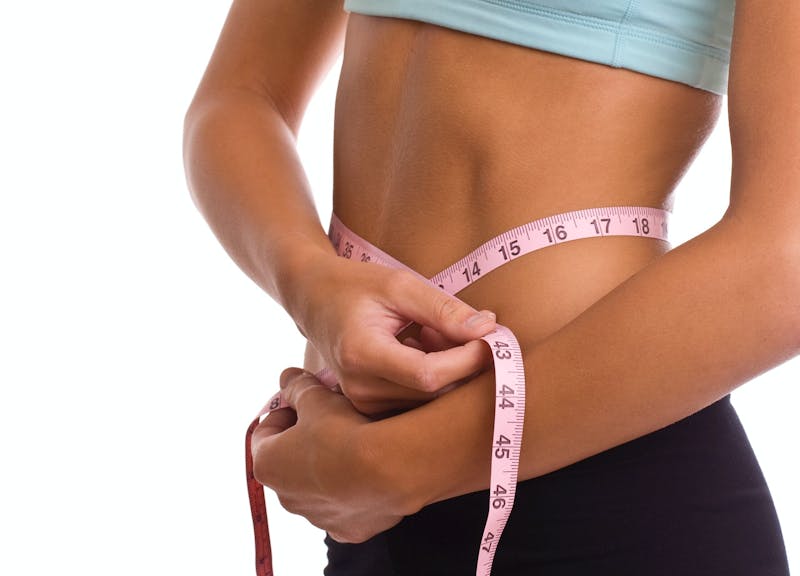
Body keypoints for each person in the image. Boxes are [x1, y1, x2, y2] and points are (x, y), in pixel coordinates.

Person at [183, 1, 797, 574]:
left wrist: (401, 463)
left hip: (609, 490)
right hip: (361, 496)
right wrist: (311, 281)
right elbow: (240, 94)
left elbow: (785, 260)